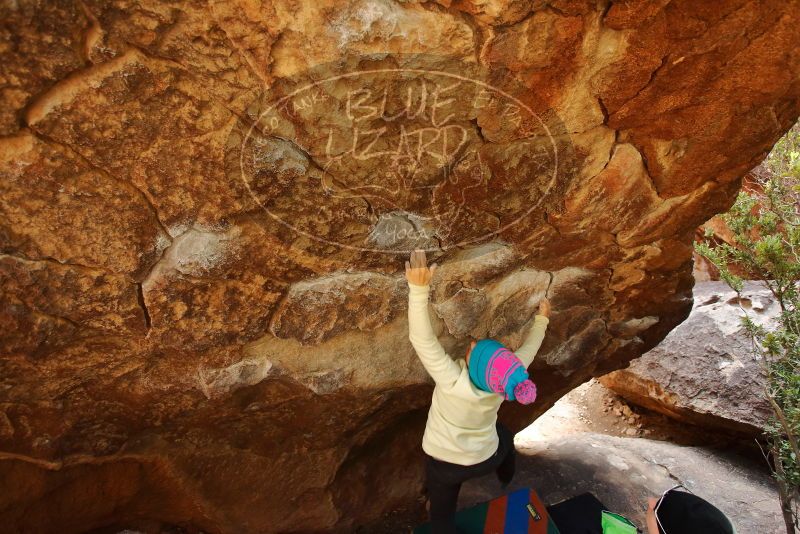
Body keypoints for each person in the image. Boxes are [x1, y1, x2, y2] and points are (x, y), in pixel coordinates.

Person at [405, 249, 551, 534]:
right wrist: (542, 320)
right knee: (505, 436)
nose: (472, 344)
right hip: (486, 457)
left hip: (446, 466)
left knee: (442, 515)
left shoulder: (451, 380)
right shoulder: (505, 381)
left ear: (473, 367)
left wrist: (418, 288)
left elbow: (422, 339)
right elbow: (528, 351)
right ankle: (506, 472)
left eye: (475, 350)